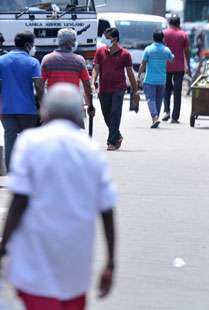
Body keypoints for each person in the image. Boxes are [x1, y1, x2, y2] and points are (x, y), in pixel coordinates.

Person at [0, 83, 117, 310]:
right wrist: (110, 263)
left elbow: (19, 201)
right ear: (78, 115)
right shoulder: (91, 150)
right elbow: (107, 210)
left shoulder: (30, 142)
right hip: (75, 261)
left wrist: (4, 247)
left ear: (45, 112)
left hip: (35, 257)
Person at [0, 31, 43, 171]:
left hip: (6, 109)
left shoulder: (2, 60)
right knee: (28, 143)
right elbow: (38, 85)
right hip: (28, 110)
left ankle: (12, 174)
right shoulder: (33, 62)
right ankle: (27, 173)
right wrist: (43, 107)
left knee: (10, 142)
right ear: (28, 45)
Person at [92, 27, 139, 151]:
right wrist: (93, 82)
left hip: (118, 88)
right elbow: (96, 68)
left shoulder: (125, 54)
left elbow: (129, 73)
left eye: (107, 38)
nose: (104, 41)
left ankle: (111, 142)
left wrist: (135, 89)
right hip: (104, 88)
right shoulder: (100, 52)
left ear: (114, 39)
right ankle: (117, 135)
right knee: (106, 114)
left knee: (115, 114)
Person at [41, 28, 94, 127]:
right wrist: (90, 105)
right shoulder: (79, 60)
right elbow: (87, 86)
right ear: (71, 42)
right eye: (74, 40)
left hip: (53, 106)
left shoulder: (47, 59)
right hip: (74, 106)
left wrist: (41, 105)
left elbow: (40, 85)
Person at [138, 30, 174, 129]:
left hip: (149, 79)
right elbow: (172, 60)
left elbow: (143, 63)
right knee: (158, 100)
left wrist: (139, 75)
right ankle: (156, 117)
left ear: (153, 38)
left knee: (151, 99)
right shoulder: (166, 50)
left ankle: (155, 117)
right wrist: (166, 47)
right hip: (162, 80)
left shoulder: (148, 49)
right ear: (162, 38)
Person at [162, 15, 190, 123]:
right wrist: (187, 64)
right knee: (177, 91)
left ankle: (166, 112)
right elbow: (187, 51)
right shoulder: (183, 34)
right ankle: (175, 117)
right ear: (179, 23)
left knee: (166, 89)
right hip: (179, 66)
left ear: (169, 22)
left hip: (166, 65)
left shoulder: (164, 33)